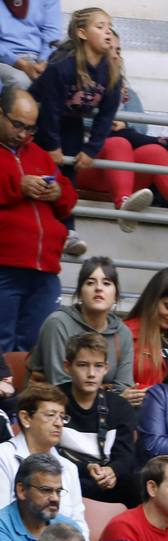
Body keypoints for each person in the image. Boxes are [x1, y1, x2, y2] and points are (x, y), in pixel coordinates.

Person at [0, 86, 71, 353]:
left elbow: (68, 198)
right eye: (17, 125)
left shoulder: (38, 153)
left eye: (30, 128)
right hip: (5, 267)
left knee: (36, 350)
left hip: (45, 271)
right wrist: (17, 186)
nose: (23, 134)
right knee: (2, 349)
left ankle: (24, 396)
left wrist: (58, 192)